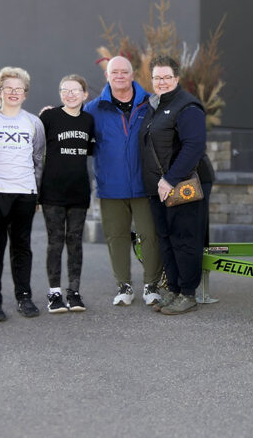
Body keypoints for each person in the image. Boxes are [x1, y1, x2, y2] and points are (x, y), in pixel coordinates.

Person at [84, 56, 164, 306]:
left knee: (150, 235)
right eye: (114, 72)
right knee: (116, 237)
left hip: (145, 184)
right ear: (107, 76)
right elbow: (77, 133)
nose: (119, 76)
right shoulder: (94, 109)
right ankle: (124, 286)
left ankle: (151, 285)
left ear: (132, 75)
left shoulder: (151, 103)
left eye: (124, 72)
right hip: (111, 186)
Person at [140, 55, 215, 315]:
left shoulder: (187, 107)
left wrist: (170, 180)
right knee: (166, 239)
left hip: (185, 184)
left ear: (177, 79)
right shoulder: (155, 105)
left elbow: (194, 146)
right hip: (159, 187)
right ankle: (172, 288)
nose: (161, 82)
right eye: (157, 77)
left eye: (167, 77)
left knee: (185, 238)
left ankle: (187, 293)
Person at [0, 67, 46, 320]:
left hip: (25, 193)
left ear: (25, 94)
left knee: (22, 247)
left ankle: (24, 297)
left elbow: (39, 159)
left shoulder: (34, 123)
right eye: (8, 88)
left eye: (18, 89)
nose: (13, 92)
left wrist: (37, 193)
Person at [39, 74, 95, 313]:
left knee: (75, 242)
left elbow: (91, 150)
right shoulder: (49, 117)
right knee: (55, 242)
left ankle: (74, 292)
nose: (70, 94)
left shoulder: (89, 121)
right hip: (52, 192)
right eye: (65, 90)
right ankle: (54, 294)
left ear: (85, 95)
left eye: (75, 90)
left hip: (79, 192)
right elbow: (35, 148)